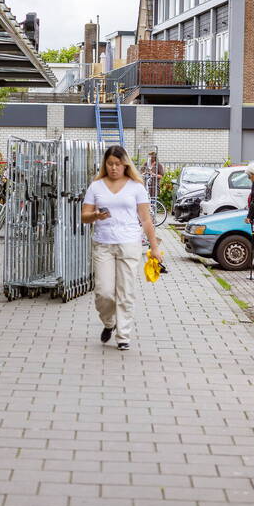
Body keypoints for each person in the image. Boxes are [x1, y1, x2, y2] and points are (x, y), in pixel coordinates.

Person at [81, 145, 164, 351]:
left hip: (129, 244)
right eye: (110, 164)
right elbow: (84, 216)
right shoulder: (96, 186)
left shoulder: (136, 186)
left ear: (125, 164)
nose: (114, 168)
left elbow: (146, 219)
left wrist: (154, 248)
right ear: (105, 164)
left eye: (118, 164)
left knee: (125, 292)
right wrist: (95, 216)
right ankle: (110, 323)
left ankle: (123, 335)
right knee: (103, 292)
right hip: (103, 244)